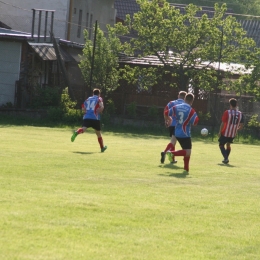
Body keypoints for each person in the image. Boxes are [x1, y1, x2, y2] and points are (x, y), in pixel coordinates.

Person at [164, 93, 199, 173]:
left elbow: (166, 112)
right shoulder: (191, 110)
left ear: (185, 99)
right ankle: (172, 153)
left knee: (186, 151)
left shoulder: (176, 107)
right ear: (192, 101)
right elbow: (195, 122)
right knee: (187, 152)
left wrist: (169, 119)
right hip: (185, 133)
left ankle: (186, 169)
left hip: (176, 132)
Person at [71, 88, 107, 152]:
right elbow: (101, 106)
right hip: (95, 118)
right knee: (98, 133)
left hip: (87, 117)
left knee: (83, 129)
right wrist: (101, 109)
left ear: (93, 93)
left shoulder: (88, 99)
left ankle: (77, 132)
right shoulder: (99, 98)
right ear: (99, 94)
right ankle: (102, 148)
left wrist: (85, 111)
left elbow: (83, 107)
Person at [160, 91, 187, 164]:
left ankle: (172, 159)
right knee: (173, 141)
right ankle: (165, 152)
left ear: (178, 96)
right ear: (185, 98)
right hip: (179, 125)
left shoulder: (171, 103)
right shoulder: (185, 105)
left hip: (171, 125)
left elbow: (165, 111)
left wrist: (167, 120)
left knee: (173, 142)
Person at [218, 98, 244, 164]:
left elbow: (223, 123)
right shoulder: (240, 114)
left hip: (225, 132)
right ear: (237, 104)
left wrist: (220, 131)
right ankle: (225, 159)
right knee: (228, 144)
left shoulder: (227, 112)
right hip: (233, 133)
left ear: (230, 105)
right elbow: (241, 126)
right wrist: (236, 130)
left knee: (221, 145)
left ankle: (226, 158)